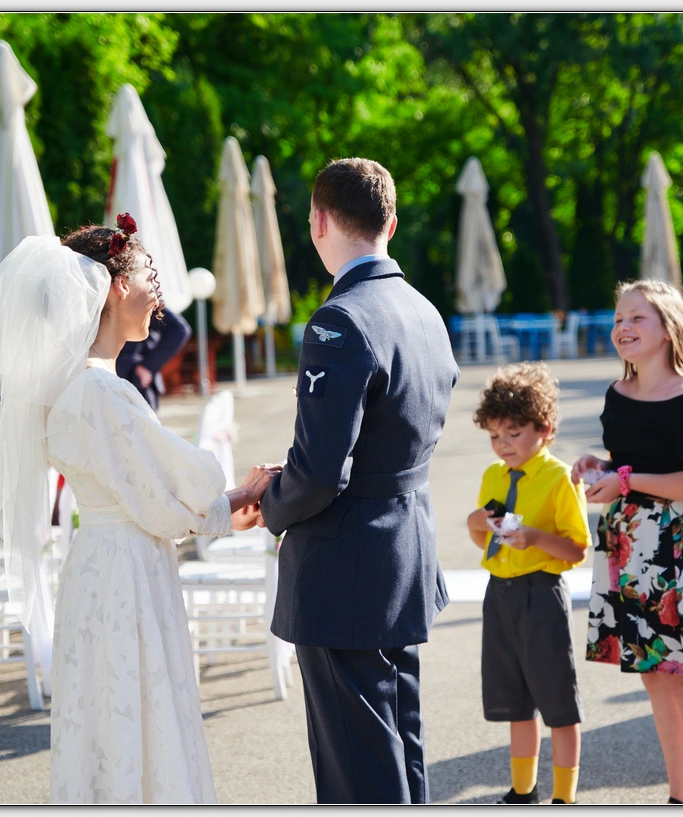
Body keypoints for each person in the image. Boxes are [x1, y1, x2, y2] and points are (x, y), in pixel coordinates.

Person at [0, 216, 276, 804]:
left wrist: (223, 506)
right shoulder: (99, 390)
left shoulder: (72, 383)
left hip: (101, 564)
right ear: (117, 286)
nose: (160, 291)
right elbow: (163, 500)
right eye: (151, 274)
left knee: (110, 722)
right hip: (126, 572)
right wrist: (236, 496)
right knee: (139, 714)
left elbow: (145, 491)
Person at [254, 158, 459, 804]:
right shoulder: (423, 310)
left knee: (357, 766)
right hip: (405, 548)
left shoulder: (339, 319)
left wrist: (270, 502)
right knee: (400, 743)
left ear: (318, 221)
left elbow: (321, 472)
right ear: (390, 224)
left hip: (346, 564)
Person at [571, 279, 683, 805]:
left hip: (676, 547)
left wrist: (625, 480)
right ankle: (679, 796)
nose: (624, 327)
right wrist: (601, 466)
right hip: (629, 541)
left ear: (668, 328)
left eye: (637, 317)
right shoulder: (619, 393)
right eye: (619, 318)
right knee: (654, 674)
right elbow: (633, 462)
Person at [465, 362, 591, 805]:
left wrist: (535, 538)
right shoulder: (492, 476)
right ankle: (524, 791)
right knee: (515, 702)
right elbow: (483, 538)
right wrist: (476, 521)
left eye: (514, 433)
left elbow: (577, 550)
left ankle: (564, 798)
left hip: (541, 593)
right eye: (495, 435)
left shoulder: (559, 478)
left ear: (545, 429)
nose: (503, 444)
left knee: (558, 703)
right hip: (499, 593)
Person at [116, 305, 192, 410]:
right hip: (107, 375)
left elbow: (179, 329)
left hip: (134, 377)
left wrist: (148, 366)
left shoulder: (141, 298)